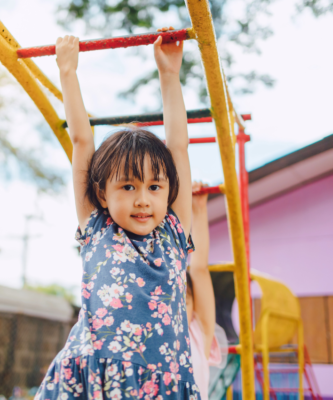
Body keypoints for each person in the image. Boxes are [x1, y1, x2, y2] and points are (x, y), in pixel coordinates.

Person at [36, 29, 201, 399]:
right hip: (98, 372)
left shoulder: (174, 232)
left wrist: (169, 76)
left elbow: (177, 145)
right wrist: (68, 72)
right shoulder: (98, 227)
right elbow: (82, 141)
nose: (143, 199)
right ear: (102, 194)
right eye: (128, 187)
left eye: (154, 187)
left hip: (163, 376)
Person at [187, 182, 222, 400]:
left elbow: (199, 270)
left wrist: (198, 210)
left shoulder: (197, 335)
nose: (178, 308)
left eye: (185, 301)